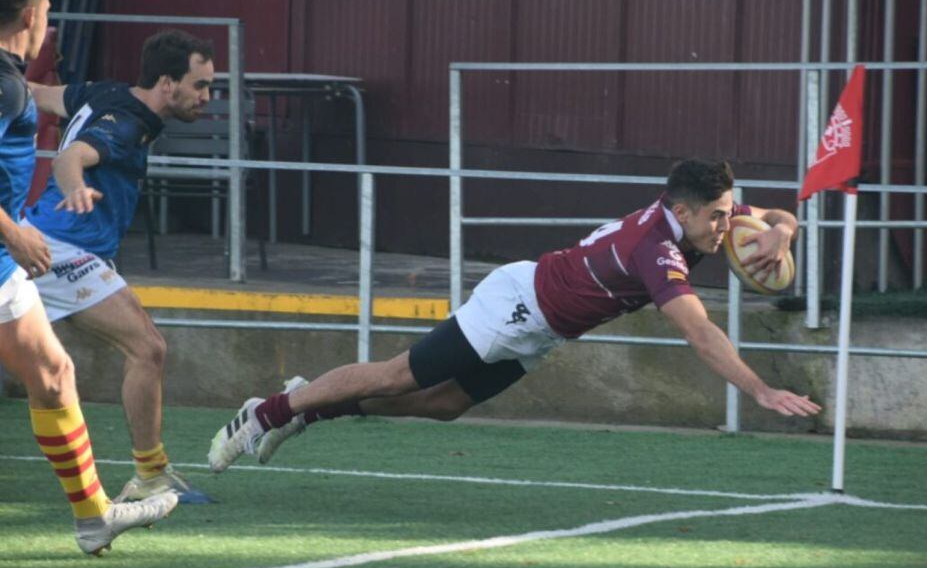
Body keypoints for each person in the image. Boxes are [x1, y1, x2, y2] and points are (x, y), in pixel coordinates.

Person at [208, 158, 821, 472]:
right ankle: (267, 412)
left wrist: (781, 234)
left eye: (729, 211)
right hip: (517, 307)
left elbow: (774, 217)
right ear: (682, 211)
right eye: (717, 215)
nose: (728, 225)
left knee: (446, 406)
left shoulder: (694, 215)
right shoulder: (655, 251)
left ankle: (311, 406)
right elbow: (699, 330)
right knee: (400, 376)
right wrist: (760, 390)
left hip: (542, 327)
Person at [0, 0, 177, 555]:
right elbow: (73, 156)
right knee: (137, 349)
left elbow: (51, 101)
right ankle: (129, 486)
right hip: (27, 245)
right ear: (31, 16)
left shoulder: (31, 84)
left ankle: (94, 515)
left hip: (11, 258)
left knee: (54, 375)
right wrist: (17, 230)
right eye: (49, 12)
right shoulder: (4, 86)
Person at [23, 28, 215, 503]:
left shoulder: (102, 92)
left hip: (48, 242)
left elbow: (37, 94)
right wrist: (74, 186)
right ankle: (150, 475)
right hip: (62, 249)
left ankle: (150, 473)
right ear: (167, 84)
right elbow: (72, 157)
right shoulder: (128, 122)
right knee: (148, 349)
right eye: (200, 85)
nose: (207, 97)